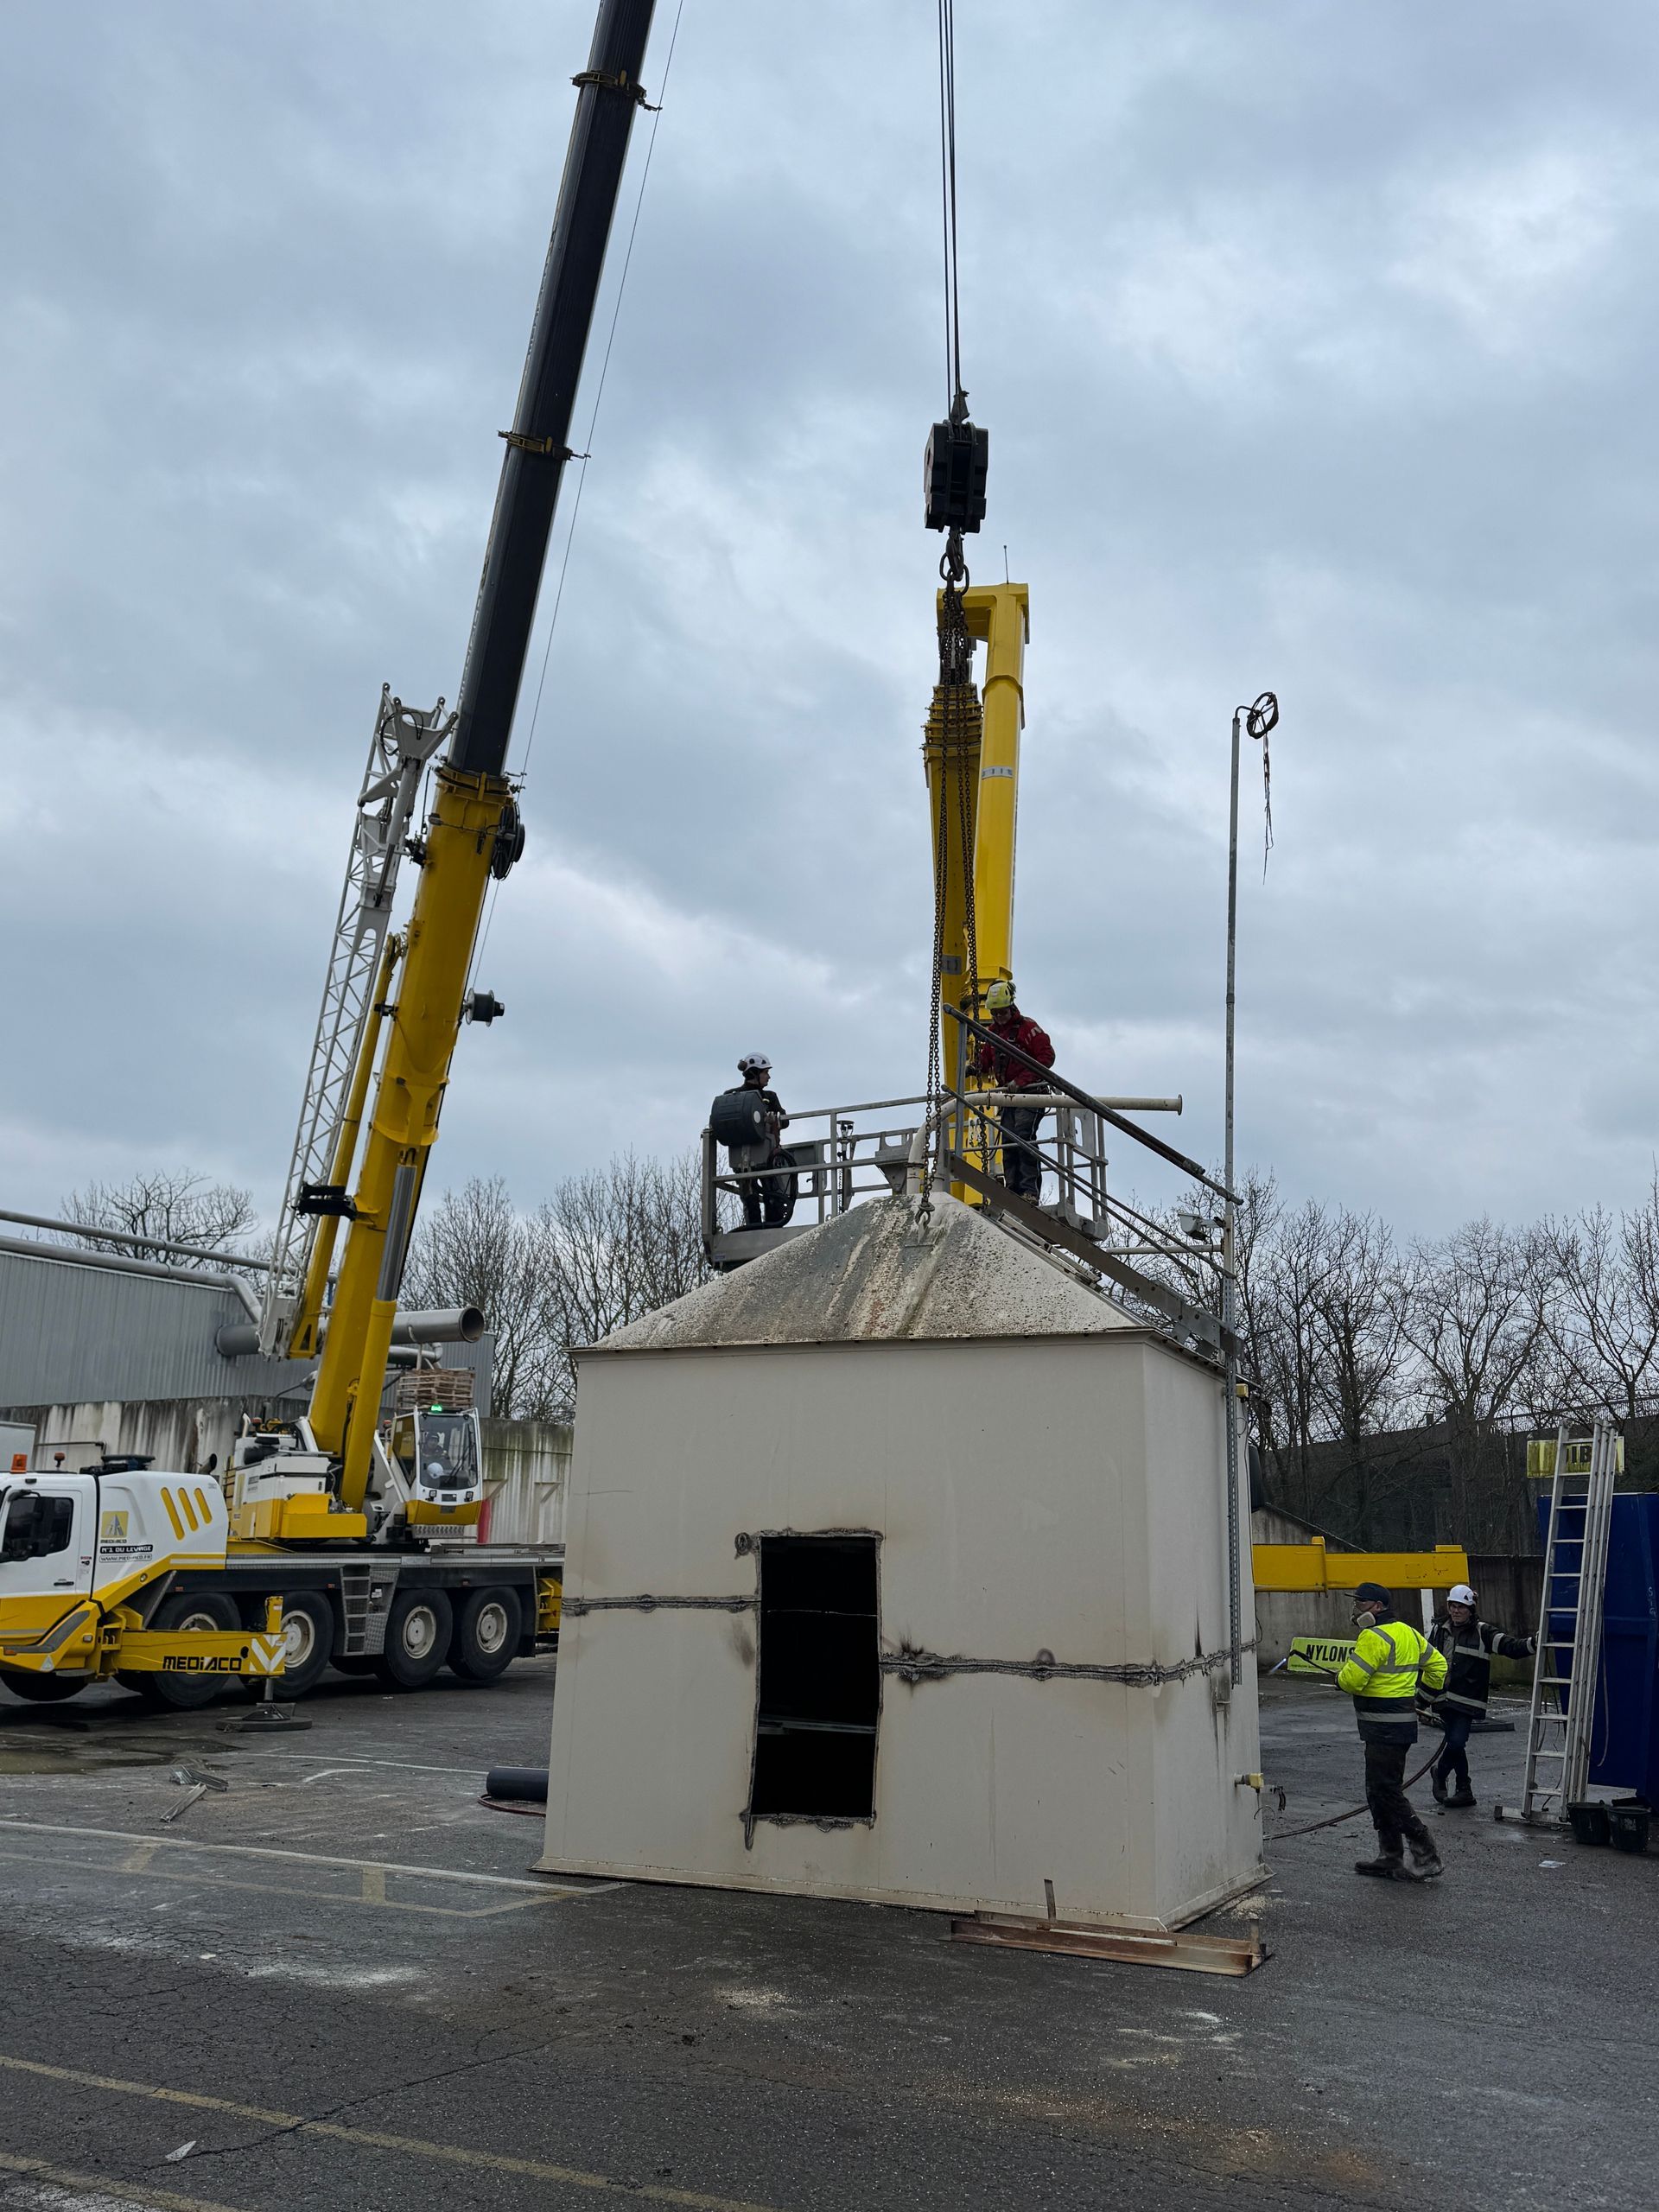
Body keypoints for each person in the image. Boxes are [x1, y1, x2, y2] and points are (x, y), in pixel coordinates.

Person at [1335, 1580, 1448, 1882]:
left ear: (1377, 1607)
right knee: (1379, 1790)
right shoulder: (1408, 1632)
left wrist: (1340, 1679)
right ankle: (1390, 1857)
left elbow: (1353, 1681)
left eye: (1360, 1603)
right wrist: (1423, 1698)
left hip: (1383, 1729)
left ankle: (1426, 1855)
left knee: (1386, 1792)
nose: (1356, 1608)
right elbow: (1438, 1665)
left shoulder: (1372, 1637)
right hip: (1397, 1728)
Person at [1424, 1582, 1535, 1809]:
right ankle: (1464, 1790)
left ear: (1471, 1609)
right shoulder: (1438, 1630)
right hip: (1442, 1699)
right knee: (1457, 1744)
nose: (1456, 1611)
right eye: (1453, 1606)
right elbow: (1426, 1664)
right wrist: (1421, 1698)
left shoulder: (1483, 1632)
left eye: (1461, 1607)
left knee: (1456, 1741)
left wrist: (1535, 1643)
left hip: (1466, 1700)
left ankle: (1441, 1772)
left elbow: (1511, 1647)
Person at [972, 981, 1055, 1202]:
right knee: (1009, 1141)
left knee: (1023, 1138)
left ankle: (1029, 1190)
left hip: (1031, 1094)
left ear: (1011, 1007)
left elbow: (1046, 1057)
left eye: (1002, 1012)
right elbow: (988, 1059)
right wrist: (975, 1066)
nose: (999, 1017)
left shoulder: (1028, 1029)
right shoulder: (992, 1035)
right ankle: (1013, 1189)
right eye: (995, 1013)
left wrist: (1021, 1081)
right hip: (1009, 1098)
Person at [729, 1052, 795, 1229]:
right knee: (750, 1196)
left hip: (768, 1156)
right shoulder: (733, 1097)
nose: (769, 1076)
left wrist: (774, 1118)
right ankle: (754, 1229)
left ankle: (772, 1226)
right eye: (765, 1072)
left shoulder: (770, 1097)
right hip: (745, 1157)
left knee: (772, 1194)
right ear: (754, 1074)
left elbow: (785, 1120)